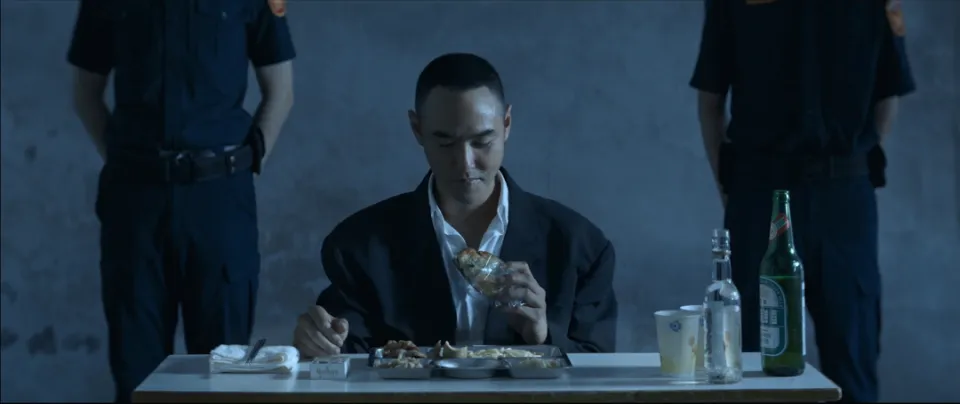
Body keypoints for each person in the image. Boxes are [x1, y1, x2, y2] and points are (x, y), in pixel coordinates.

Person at [292, 53, 618, 357]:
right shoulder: (357, 246)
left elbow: (600, 372)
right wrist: (319, 343)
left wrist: (544, 339)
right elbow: (346, 354)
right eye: (445, 142)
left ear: (506, 124)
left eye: (482, 141)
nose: (465, 164)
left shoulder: (581, 248)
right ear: (417, 129)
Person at [67, 0, 295, 401]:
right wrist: (127, 163)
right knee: (137, 373)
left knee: (224, 369)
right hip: (136, 202)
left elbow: (281, 91)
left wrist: (242, 165)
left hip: (219, 202)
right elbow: (86, 93)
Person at [690, 0, 914, 402]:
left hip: (824, 197)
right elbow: (710, 97)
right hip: (777, 190)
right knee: (755, 363)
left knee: (851, 357)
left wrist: (847, 168)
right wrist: (733, 188)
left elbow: (888, 93)